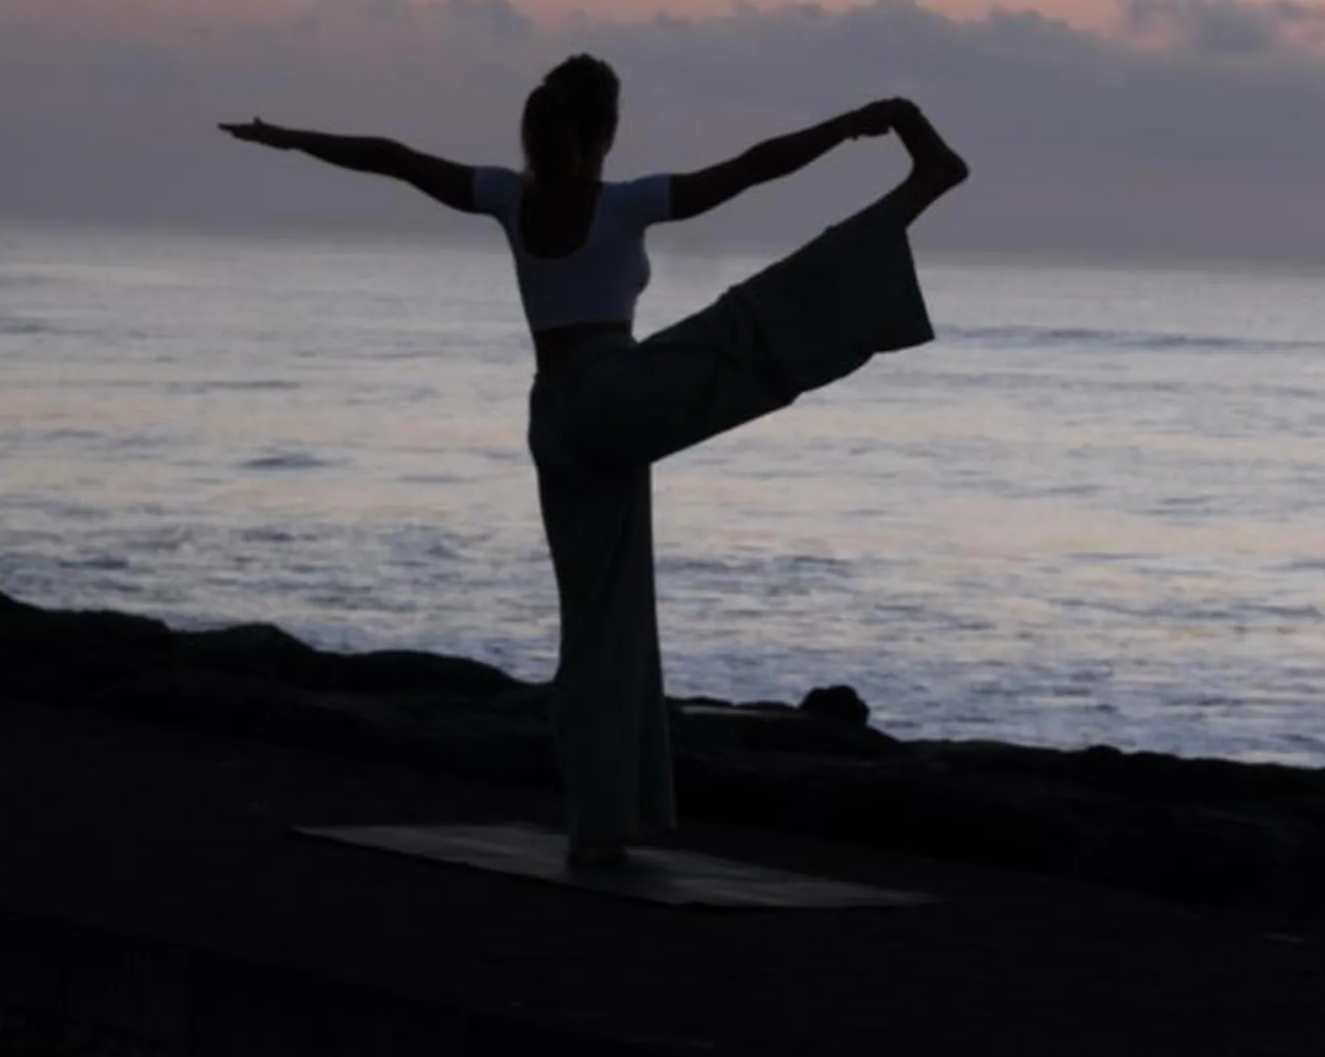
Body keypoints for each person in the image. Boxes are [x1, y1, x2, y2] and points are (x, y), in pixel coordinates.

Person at [220, 56, 966, 866]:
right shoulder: (625, 204)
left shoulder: (510, 198)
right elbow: (754, 169)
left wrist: (288, 138)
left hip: (558, 421)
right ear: (607, 127)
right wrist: (846, 125)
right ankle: (921, 189)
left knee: (601, 623)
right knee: (756, 325)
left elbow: (393, 157)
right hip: (616, 398)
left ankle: (604, 820)